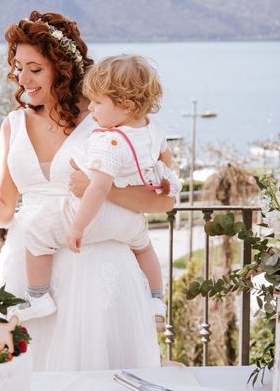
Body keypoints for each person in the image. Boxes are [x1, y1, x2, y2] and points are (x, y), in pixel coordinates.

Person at [0, 11, 174, 370]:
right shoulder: (13, 125)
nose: (22, 78)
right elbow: (3, 212)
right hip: (28, 265)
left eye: (34, 69)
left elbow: (165, 199)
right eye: (18, 67)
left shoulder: (108, 118)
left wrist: (102, 190)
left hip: (95, 266)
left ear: (62, 69)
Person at [13, 55, 180, 328]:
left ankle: (37, 296)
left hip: (98, 217)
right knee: (145, 247)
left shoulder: (109, 140)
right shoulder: (154, 130)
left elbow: (99, 187)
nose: (91, 109)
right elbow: (166, 170)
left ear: (125, 104)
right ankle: (155, 298)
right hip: (132, 221)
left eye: (98, 103)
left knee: (36, 230)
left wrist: (77, 227)